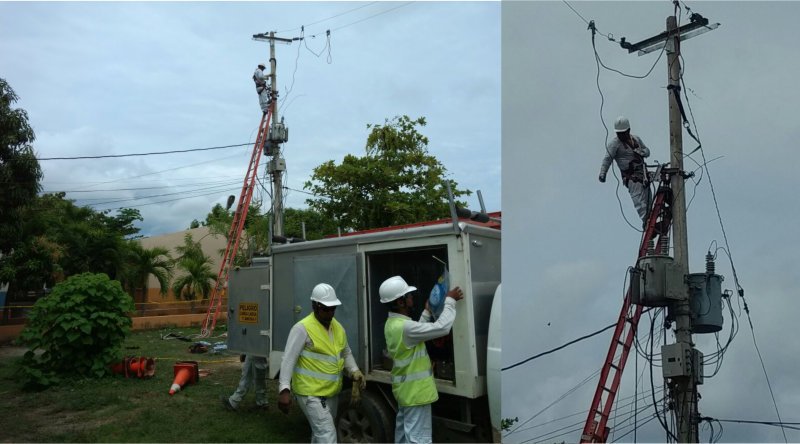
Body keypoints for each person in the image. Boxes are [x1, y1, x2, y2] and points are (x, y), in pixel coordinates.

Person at [379, 275, 464, 444]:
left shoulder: (392, 324)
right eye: (408, 295)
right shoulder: (405, 327)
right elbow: (442, 328)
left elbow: (416, 333)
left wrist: (426, 312)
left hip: (405, 392)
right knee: (418, 439)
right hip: (416, 394)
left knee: (404, 436)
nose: (412, 297)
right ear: (400, 302)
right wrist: (450, 301)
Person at [277, 283, 366, 444]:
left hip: (330, 392)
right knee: (327, 434)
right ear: (315, 306)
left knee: (320, 435)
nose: (330, 312)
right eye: (326, 309)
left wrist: (354, 371)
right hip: (310, 393)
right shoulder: (302, 328)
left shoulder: (337, 328)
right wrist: (284, 389)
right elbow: (288, 359)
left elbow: (345, 352)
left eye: (333, 308)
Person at [599, 115, 652, 224]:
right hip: (632, 177)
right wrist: (602, 173)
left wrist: (642, 152)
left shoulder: (636, 139)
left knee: (649, 202)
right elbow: (607, 159)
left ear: (628, 130)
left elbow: (647, 151)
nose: (621, 135)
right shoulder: (614, 144)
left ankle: (652, 220)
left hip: (643, 175)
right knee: (639, 201)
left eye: (623, 132)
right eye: (619, 133)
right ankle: (646, 222)